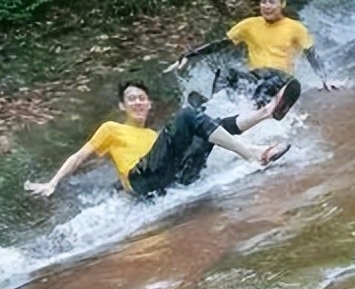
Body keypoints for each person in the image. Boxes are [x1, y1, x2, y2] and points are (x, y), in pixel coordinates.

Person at [24, 79, 294, 199]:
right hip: (141, 179)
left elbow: (197, 139)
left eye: (142, 98)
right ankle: (252, 153)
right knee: (189, 115)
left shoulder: (154, 137)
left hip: (170, 176)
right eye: (132, 99)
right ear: (122, 106)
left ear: (149, 104)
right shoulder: (111, 129)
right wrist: (53, 182)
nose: (138, 102)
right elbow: (79, 156)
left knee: (210, 127)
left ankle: (266, 112)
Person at [164, 0, 334, 106]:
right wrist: (189, 55)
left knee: (262, 86)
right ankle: (215, 108)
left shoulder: (296, 27)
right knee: (226, 73)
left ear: (282, 4)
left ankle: (250, 113)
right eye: (264, 2)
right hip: (256, 77)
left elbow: (311, 54)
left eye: (272, 2)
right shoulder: (249, 25)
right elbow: (222, 44)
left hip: (282, 79)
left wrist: (325, 80)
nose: (266, 6)